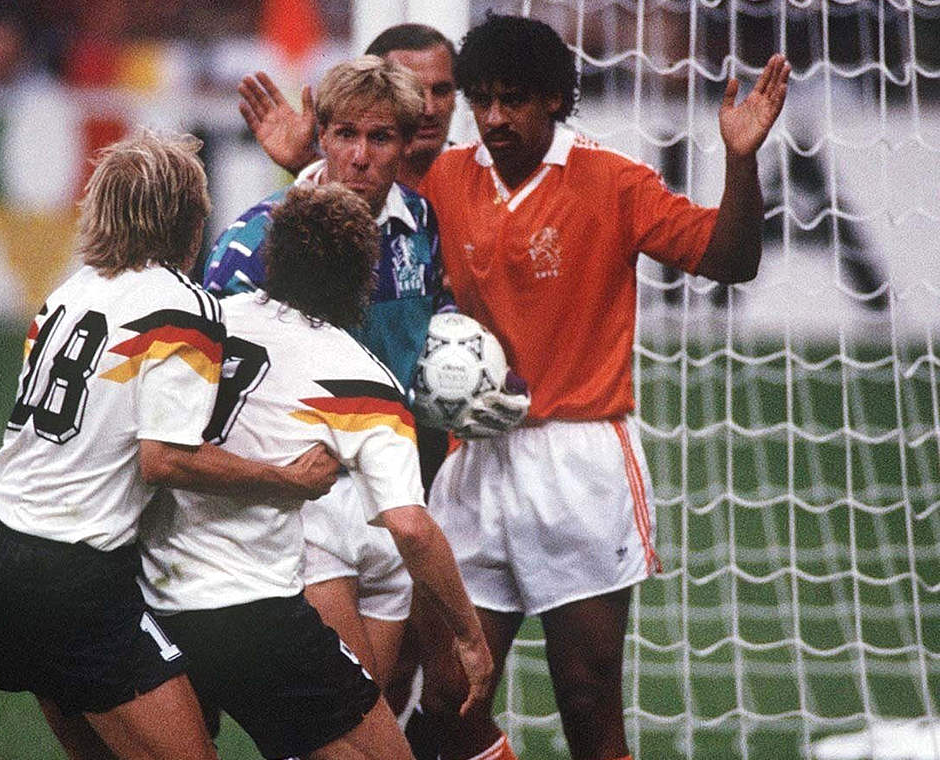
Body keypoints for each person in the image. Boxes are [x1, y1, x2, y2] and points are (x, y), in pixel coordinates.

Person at [409, 16, 791, 760]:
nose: (493, 118)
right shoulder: (447, 181)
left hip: (578, 460)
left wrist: (741, 162)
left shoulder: (612, 182)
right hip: (477, 459)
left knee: (586, 698)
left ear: (554, 98)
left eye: (511, 99)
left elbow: (732, 259)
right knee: (450, 700)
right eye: (480, 100)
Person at [0, 128, 341, 760]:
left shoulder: (66, 295)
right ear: (189, 219)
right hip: (74, 575)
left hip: (3, 557)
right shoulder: (180, 306)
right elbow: (165, 457)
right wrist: (290, 482)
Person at [139, 183, 492, 760]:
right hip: (257, 612)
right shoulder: (361, 378)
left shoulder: (206, 320)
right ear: (363, 278)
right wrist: (470, 635)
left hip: (156, 598)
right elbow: (410, 528)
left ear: (272, 259)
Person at [200, 55, 452, 694]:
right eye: (345, 135)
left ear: (405, 142)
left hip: (389, 496)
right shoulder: (259, 237)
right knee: (344, 711)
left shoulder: (420, 227)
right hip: (297, 505)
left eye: (380, 137)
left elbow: (432, 328)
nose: (362, 156)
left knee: (372, 703)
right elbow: (203, 375)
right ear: (323, 137)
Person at [237, 22, 457, 189]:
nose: (429, 109)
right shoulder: (351, 182)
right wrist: (303, 162)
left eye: (441, 90)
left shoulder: (483, 178)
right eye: (414, 91)